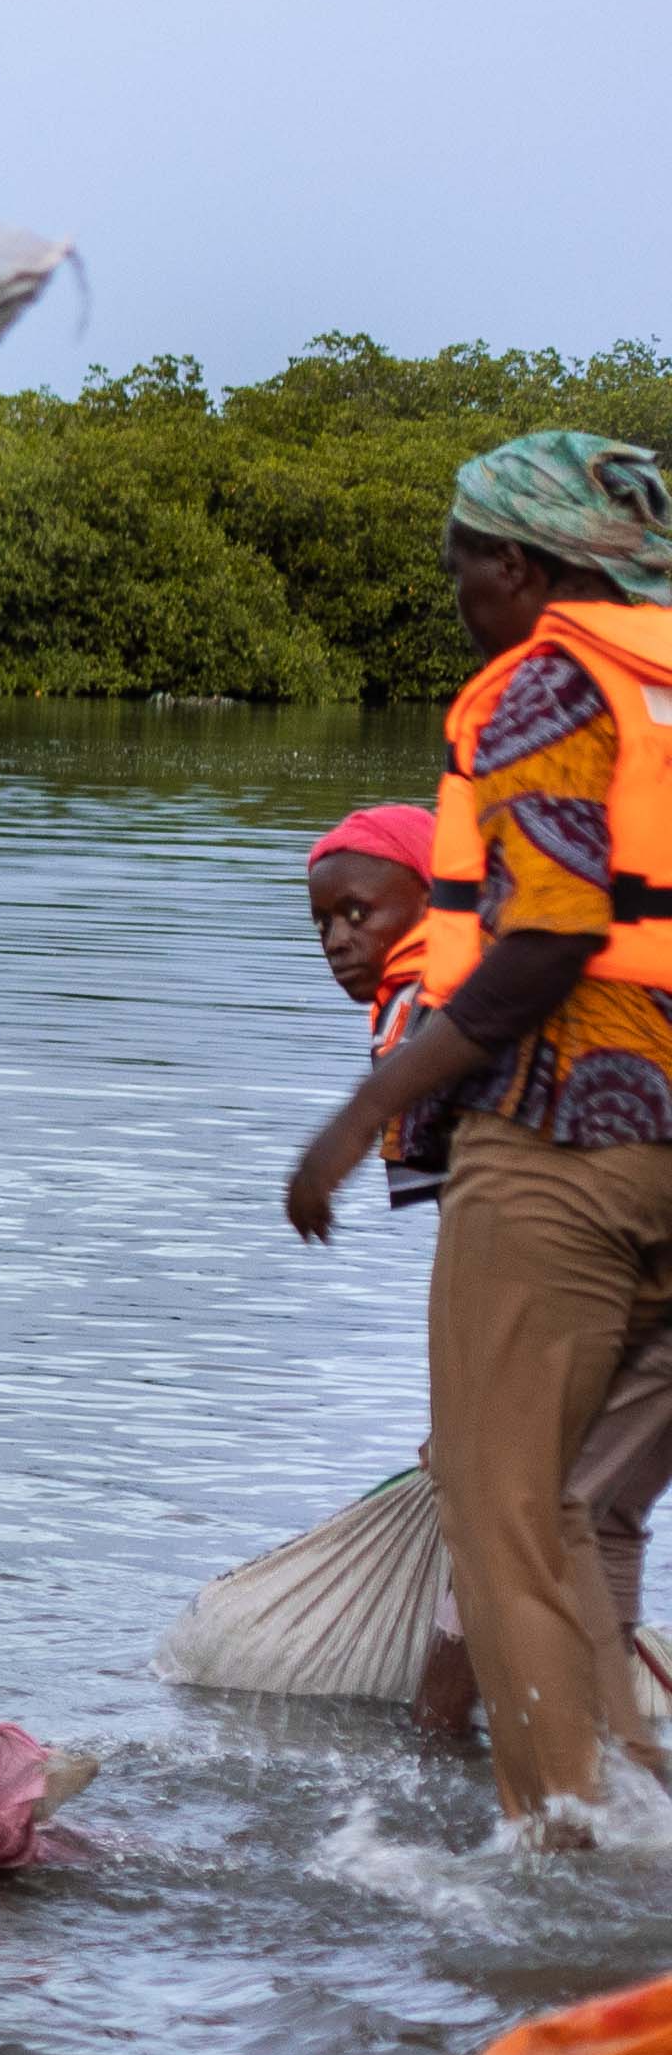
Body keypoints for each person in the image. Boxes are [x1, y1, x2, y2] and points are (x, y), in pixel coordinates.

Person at [285, 435, 672, 1831]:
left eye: (460, 567)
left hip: (577, 1130)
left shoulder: (544, 690)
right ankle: (631, 1821)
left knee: (504, 1515)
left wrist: (361, 1117)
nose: (458, 594)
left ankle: (559, 1863)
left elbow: (552, 939)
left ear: (517, 565)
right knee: (583, 1510)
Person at [303, 792, 672, 1736]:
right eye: (323, 922)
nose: (339, 940)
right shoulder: (446, 1000)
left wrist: (466, 1411)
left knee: (517, 1507)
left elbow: (503, 1222)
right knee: (590, 1512)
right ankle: (604, 1770)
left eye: (360, 913)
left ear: (437, 902)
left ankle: (464, 1751)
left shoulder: (436, 1012)